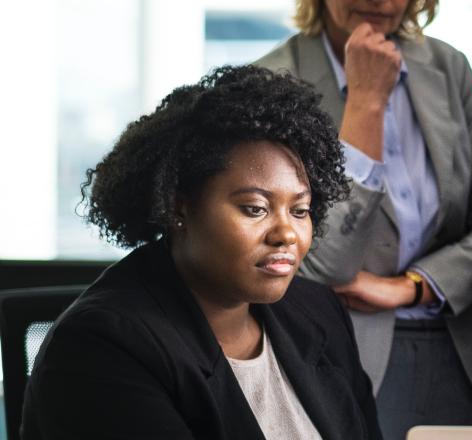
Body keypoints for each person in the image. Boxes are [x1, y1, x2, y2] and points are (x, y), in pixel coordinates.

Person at [21, 65, 382, 440]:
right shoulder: (101, 346)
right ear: (179, 209)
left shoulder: (317, 311)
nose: (286, 233)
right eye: (255, 208)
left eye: (300, 210)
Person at [255, 0, 472, 438]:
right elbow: (325, 267)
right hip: (353, 360)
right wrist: (365, 102)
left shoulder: (447, 65)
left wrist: (413, 287)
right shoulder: (270, 86)